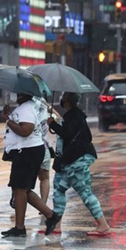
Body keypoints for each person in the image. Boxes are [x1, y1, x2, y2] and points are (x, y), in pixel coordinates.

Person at [44, 92, 111, 236]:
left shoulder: (74, 116)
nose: (61, 100)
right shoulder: (77, 115)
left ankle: (102, 224)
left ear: (67, 100)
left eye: (63, 97)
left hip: (76, 162)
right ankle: (57, 224)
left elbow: (67, 133)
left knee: (84, 192)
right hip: (67, 161)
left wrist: (53, 124)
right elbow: (87, 135)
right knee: (59, 190)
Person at [1, 91, 59, 237]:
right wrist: (9, 116)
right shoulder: (27, 106)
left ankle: (22, 227)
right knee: (22, 189)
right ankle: (49, 216)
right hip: (27, 151)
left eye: (16, 92)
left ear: (22, 94)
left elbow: (26, 130)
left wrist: (8, 121)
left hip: (27, 152)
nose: (14, 94)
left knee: (20, 189)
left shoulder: (26, 108)